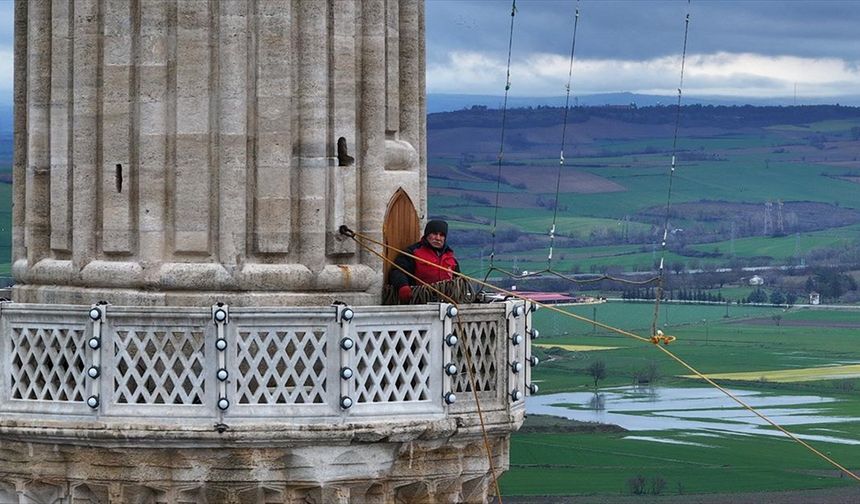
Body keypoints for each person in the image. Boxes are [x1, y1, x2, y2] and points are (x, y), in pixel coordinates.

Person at [389, 219, 460, 303]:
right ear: (427, 235)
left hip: (446, 302)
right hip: (419, 301)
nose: (438, 238)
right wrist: (403, 286)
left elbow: (458, 279)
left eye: (441, 235)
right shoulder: (413, 252)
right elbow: (398, 271)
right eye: (434, 234)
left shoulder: (450, 257)